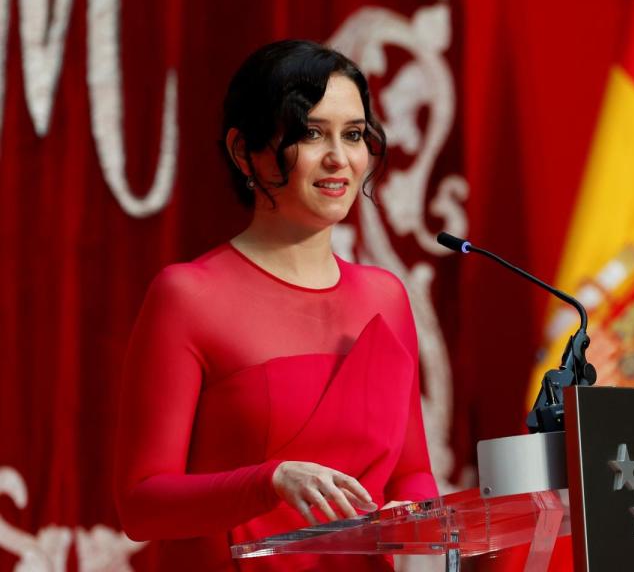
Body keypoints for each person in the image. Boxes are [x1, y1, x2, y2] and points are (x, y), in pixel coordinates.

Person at [114, 40, 437, 571]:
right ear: (244, 150)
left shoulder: (386, 297)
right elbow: (141, 506)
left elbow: (411, 472)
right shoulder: (187, 295)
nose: (339, 159)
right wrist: (270, 481)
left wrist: (413, 511)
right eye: (311, 133)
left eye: (354, 134)